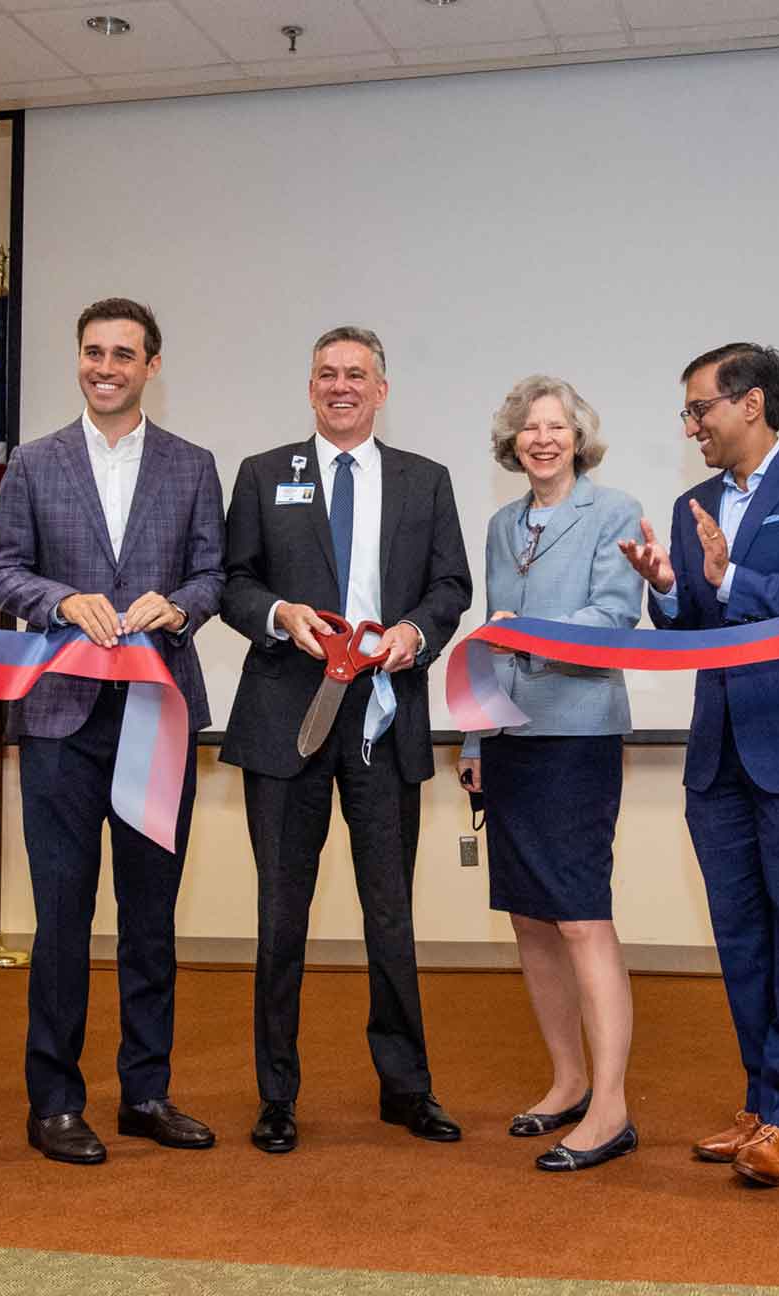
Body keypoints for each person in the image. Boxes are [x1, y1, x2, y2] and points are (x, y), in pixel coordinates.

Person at [619, 343, 779, 1187]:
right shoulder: (692, 504)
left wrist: (733, 580)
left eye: (700, 409)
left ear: (751, 403)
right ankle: (763, 1099)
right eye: (688, 413)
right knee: (741, 935)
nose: (690, 427)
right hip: (718, 751)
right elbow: (695, 629)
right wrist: (667, 588)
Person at [0, 297, 225, 1166]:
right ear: (78, 360)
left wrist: (180, 607)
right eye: (93, 352)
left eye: (124, 354)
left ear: (151, 366)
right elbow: (3, 570)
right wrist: (60, 602)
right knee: (62, 914)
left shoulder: (193, 465)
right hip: (60, 718)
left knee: (151, 915)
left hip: (158, 714)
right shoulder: (34, 463)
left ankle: (146, 1093)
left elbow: (213, 575)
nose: (106, 367)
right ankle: (54, 1103)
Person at [220, 325, 472, 1154]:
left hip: (383, 720)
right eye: (326, 373)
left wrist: (413, 632)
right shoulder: (264, 474)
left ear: (381, 390)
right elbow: (233, 582)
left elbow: (451, 585)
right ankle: (276, 1097)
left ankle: (407, 1088)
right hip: (284, 720)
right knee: (280, 916)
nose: (340, 386)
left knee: (390, 914)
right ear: (310, 388)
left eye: (356, 374)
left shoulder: (426, 480)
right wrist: (276, 614)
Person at [457, 375, 644, 1171]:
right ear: (513, 441)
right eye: (529, 428)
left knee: (580, 917)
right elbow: (488, 638)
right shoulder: (502, 524)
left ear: (578, 438)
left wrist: (527, 630)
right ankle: (567, 1082)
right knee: (530, 919)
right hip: (509, 738)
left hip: (577, 737)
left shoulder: (614, 511)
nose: (542, 439)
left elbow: (614, 618)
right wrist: (474, 742)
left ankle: (611, 1108)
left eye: (556, 426)